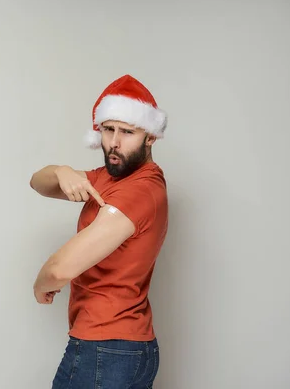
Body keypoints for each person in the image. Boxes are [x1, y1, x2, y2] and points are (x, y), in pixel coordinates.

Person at [29, 74, 169, 389]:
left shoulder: (139, 190)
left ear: (150, 136)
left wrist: (41, 286)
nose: (114, 142)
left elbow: (60, 268)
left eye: (127, 132)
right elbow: (37, 183)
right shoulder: (108, 177)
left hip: (105, 347)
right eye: (108, 130)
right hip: (124, 347)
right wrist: (61, 171)